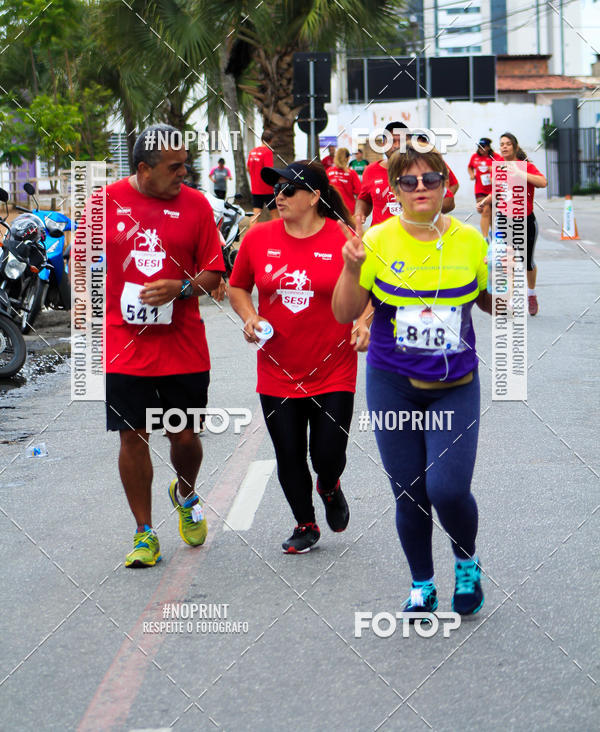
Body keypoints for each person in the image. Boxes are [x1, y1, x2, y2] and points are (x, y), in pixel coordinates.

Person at [333, 144, 496, 617]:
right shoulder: (379, 241)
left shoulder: (470, 241)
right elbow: (343, 313)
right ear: (395, 190)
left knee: (446, 488)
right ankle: (422, 584)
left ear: (446, 187)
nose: (420, 188)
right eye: (409, 181)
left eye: (430, 179)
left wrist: (505, 284)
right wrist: (350, 266)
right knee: (408, 489)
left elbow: (490, 302)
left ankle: (466, 561)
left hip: (455, 384)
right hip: (393, 383)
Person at [103, 126, 224, 567]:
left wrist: (182, 288)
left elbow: (215, 275)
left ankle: (186, 495)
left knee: (185, 436)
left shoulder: (196, 206)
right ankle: (143, 533)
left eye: (185, 164)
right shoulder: (105, 202)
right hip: (125, 345)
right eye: (174, 167)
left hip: (182, 346)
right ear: (143, 169)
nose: (183, 173)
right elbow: (81, 264)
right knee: (132, 437)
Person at [228, 161, 358, 554]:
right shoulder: (258, 237)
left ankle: (330, 484)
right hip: (277, 370)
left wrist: (363, 321)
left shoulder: (344, 237)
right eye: (276, 190)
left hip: (334, 367)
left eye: (288, 190)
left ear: (315, 196)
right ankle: (305, 523)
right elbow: (237, 287)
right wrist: (251, 318)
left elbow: (372, 291)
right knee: (288, 452)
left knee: (328, 453)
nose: (278, 197)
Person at [477, 132, 547, 315]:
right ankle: (512, 299)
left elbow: (543, 182)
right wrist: (485, 201)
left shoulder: (526, 166)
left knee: (526, 262)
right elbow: (499, 192)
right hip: (504, 220)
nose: (504, 147)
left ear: (515, 147)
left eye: (508, 144)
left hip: (525, 221)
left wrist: (520, 173)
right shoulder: (498, 167)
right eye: (502, 144)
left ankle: (531, 294)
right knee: (507, 261)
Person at [468, 137, 496, 238]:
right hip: (480, 189)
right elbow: (469, 167)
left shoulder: (495, 157)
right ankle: (485, 238)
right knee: (485, 209)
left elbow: (504, 167)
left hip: (493, 189)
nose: (481, 149)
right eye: (479, 146)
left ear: (488, 147)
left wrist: (493, 169)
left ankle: (494, 234)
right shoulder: (474, 157)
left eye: (483, 147)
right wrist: (471, 175)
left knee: (492, 212)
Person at [247, 131, 277, 221]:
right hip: (267, 189)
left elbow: (248, 168)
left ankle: (250, 235)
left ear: (261, 139)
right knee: (275, 216)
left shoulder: (252, 152)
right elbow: (268, 170)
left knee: (255, 216)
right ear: (271, 141)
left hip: (255, 189)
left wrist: (255, 178)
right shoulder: (268, 152)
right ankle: (278, 235)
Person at [326, 148, 362, 214]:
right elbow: (359, 193)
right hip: (348, 211)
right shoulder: (352, 173)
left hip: (332, 210)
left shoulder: (328, 171)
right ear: (348, 158)